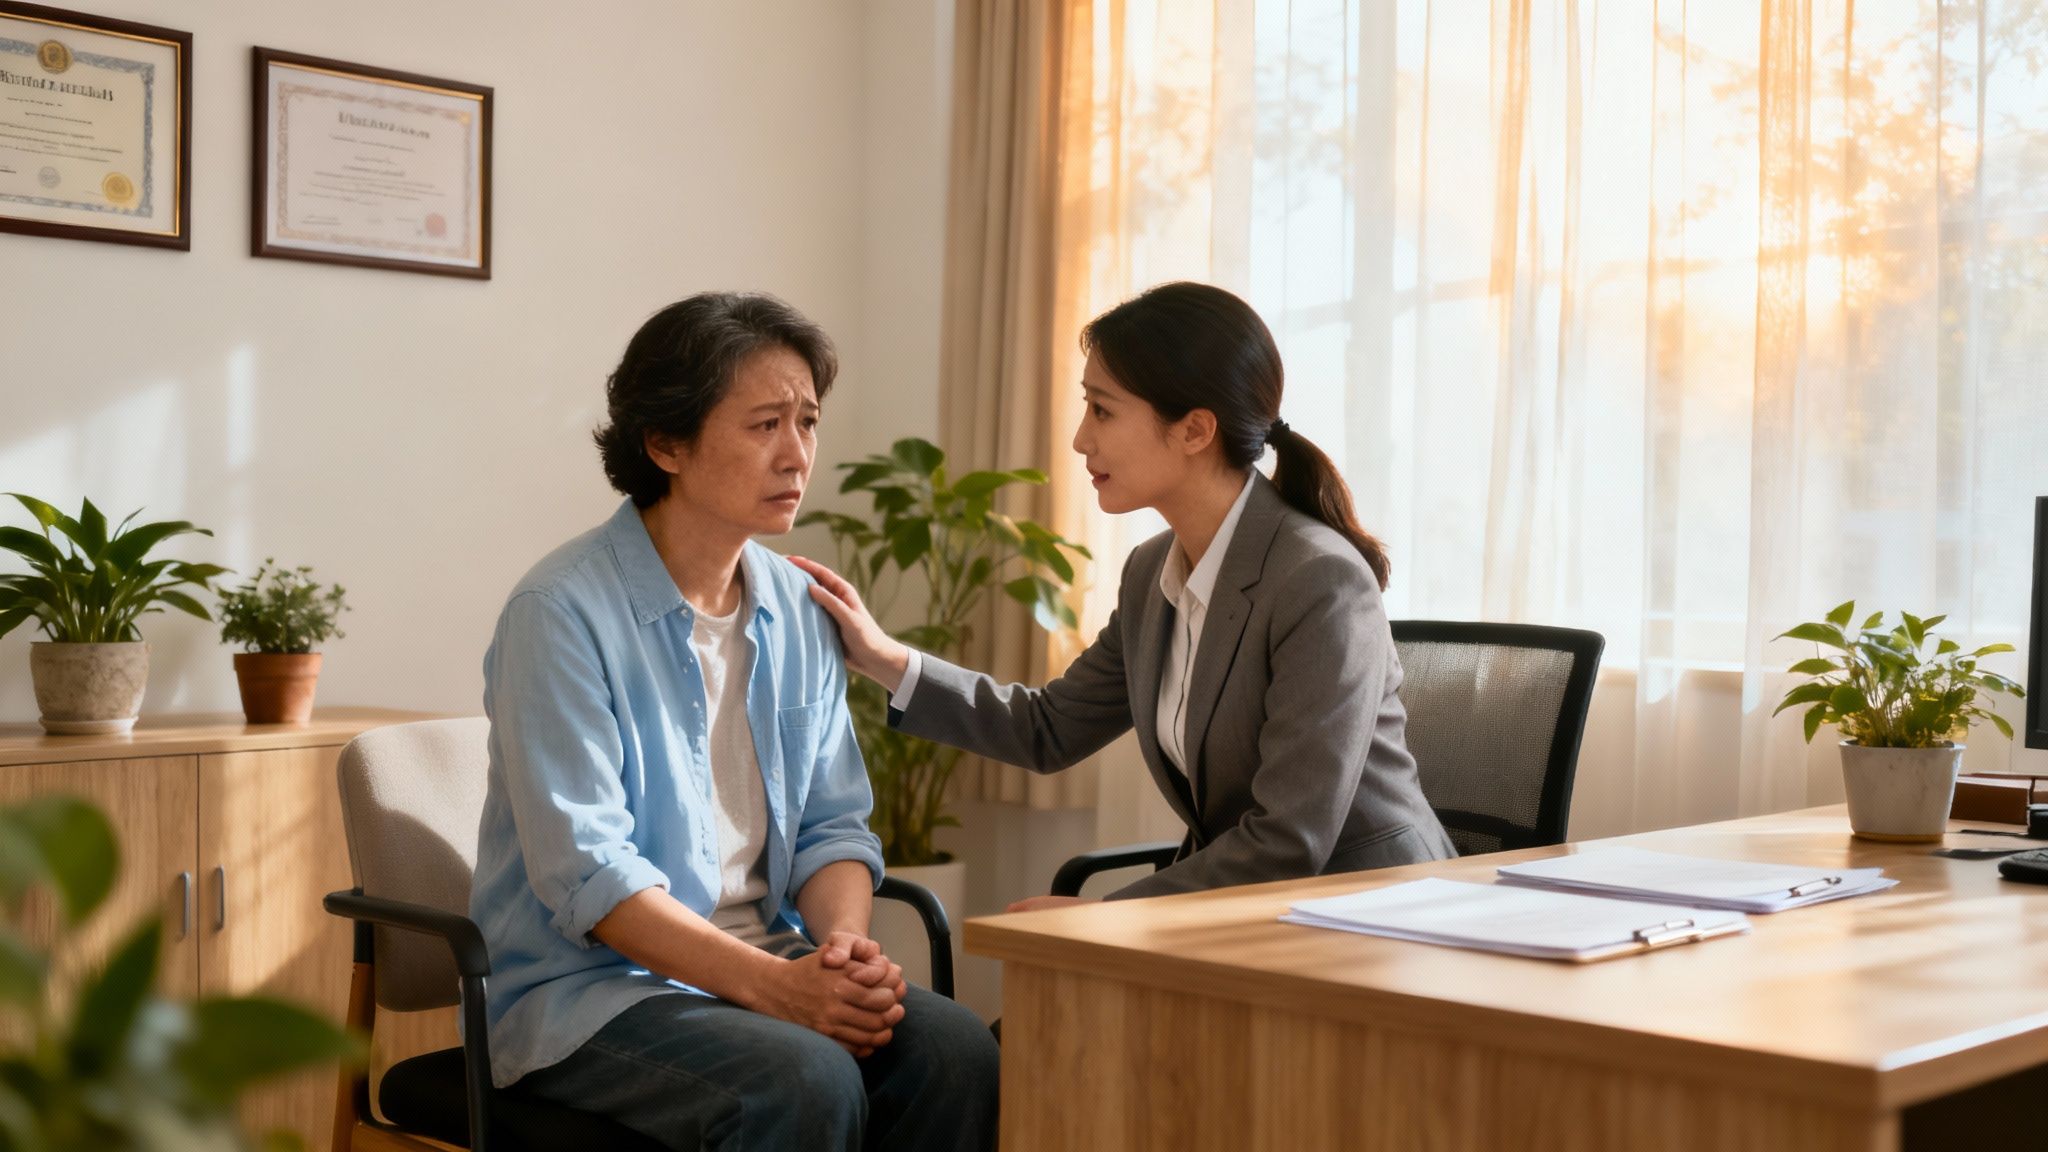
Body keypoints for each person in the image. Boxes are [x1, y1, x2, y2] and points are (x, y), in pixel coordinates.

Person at [471, 292, 999, 1150]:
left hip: (766, 966)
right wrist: (778, 991)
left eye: (808, 421)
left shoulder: (798, 602)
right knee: (800, 1079)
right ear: (667, 444)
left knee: (955, 1050)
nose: (797, 455)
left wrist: (842, 956)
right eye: (764, 425)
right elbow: (592, 878)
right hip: (592, 994)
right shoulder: (558, 612)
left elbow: (833, 826)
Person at [796, 281, 1455, 910]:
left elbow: (1291, 840)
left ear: (1196, 430)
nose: (1082, 438)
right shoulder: (1151, 574)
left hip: (1365, 913)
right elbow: (1048, 730)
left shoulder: (1319, 579)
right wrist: (880, 656)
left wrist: (1105, 914)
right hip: (1250, 909)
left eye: (1102, 410)